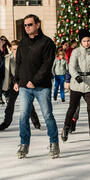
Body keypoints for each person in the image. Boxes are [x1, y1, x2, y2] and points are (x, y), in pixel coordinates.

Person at [14, 14, 59, 159]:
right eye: (25, 25)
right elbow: (19, 63)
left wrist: (35, 80)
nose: (27, 27)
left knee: (47, 115)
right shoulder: (23, 43)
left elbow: (47, 65)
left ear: (37, 25)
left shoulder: (47, 43)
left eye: (30, 24)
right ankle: (24, 144)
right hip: (24, 87)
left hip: (42, 86)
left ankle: (54, 143)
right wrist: (16, 80)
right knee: (23, 116)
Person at [61, 29, 90, 143]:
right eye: (84, 41)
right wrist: (76, 77)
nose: (87, 43)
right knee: (72, 108)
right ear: (81, 41)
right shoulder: (76, 52)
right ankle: (66, 128)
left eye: (88, 40)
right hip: (77, 84)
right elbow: (71, 67)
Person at [0, 40, 40, 131]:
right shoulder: (7, 58)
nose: (15, 51)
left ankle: (36, 122)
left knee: (28, 104)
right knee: (10, 105)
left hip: (23, 84)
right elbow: (3, 71)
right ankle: (6, 123)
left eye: (17, 49)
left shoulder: (25, 58)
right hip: (12, 86)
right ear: (10, 49)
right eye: (14, 49)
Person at [0, 35, 11, 104]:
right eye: (2, 39)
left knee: (5, 82)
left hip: (4, 67)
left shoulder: (5, 48)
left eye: (4, 40)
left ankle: (6, 96)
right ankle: (0, 98)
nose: (3, 41)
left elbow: (6, 57)